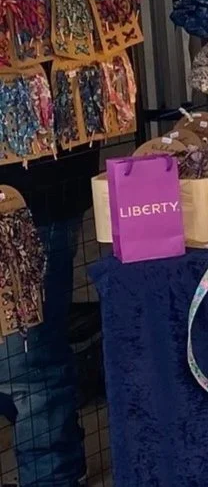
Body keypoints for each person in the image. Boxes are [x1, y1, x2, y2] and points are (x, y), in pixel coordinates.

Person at [0, 148, 96, 487]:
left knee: (28, 366)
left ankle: (55, 473)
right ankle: (61, 460)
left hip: (33, 194)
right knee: (25, 365)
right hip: (40, 185)